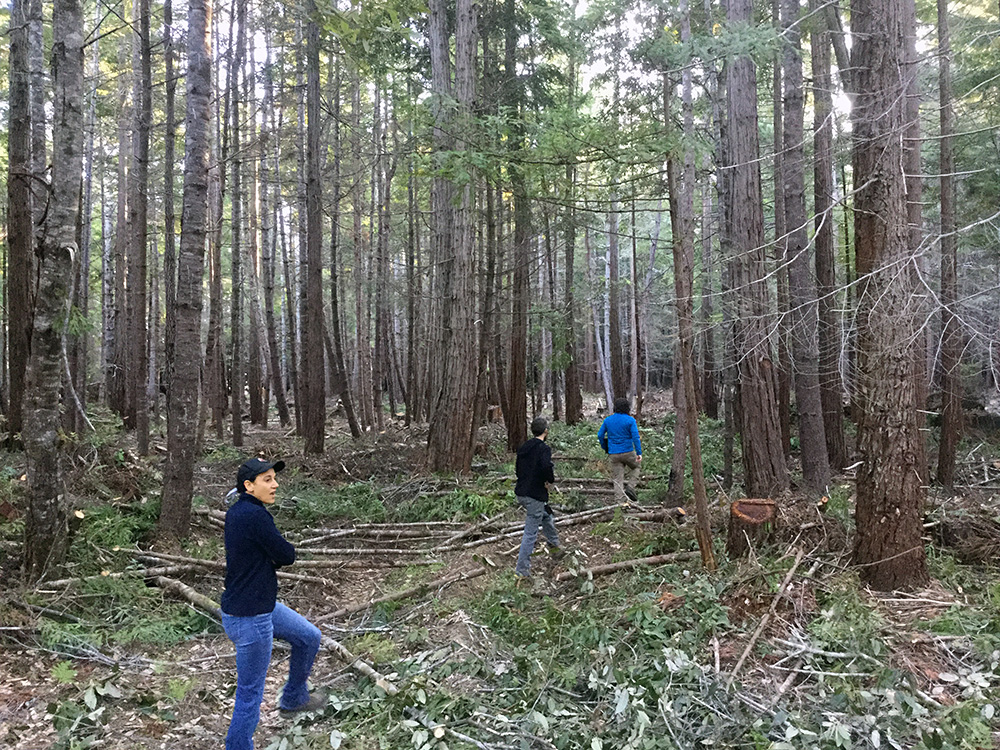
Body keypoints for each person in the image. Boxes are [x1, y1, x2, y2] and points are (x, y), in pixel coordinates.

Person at [221, 458, 325, 750]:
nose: (275, 484)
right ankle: (238, 746)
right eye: (267, 479)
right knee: (250, 693)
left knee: (308, 637)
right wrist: (277, 553)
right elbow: (286, 554)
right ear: (249, 486)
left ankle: (293, 698)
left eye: (273, 478)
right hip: (250, 617)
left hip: (257, 606)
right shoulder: (254, 516)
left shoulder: (239, 511)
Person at [514, 417, 562, 578]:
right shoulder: (543, 448)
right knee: (530, 533)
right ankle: (522, 570)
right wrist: (549, 480)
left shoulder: (524, 447)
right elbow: (546, 466)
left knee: (547, 516)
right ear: (546, 431)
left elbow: (518, 470)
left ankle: (555, 549)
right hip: (535, 494)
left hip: (521, 492)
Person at [598, 397, 642, 503]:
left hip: (614, 453)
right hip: (628, 452)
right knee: (636, 467)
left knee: (618, 479)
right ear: (627, 408)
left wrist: (605, 447)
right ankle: (630, 487)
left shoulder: (608, 420)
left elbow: (600, 435)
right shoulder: (630, 420)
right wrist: (639, 452)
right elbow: (635, 437)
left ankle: (620, 504)